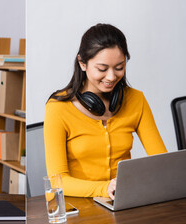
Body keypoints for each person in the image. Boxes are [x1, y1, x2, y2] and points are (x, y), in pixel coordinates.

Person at [44, 23, 167, 199]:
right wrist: (104, 189)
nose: (111, 77)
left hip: (123, 201)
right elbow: (57, 181)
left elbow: (161, 163)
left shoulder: (136, 100)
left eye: (119, 68)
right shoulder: (58, 107)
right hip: (78, 207)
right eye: (102, 69)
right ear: (82, 63)